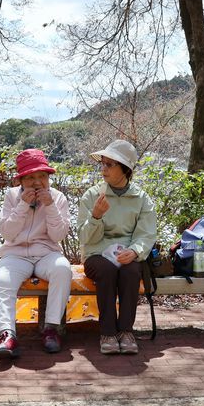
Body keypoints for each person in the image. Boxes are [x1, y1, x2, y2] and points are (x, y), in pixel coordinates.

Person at [77, 139, 156, 355]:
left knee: (131, 271)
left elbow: (147, 233)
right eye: (102, 163)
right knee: (107, 270)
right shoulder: (92, 195)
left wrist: (135, 251)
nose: (103, 169)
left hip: (128, 253)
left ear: (125, 169)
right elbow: (84, 237)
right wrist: (96, 216)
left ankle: (126, 331)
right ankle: (108, 332)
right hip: (96, 254)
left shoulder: (141, 198)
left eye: (109, 165)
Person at [0, 149, 72, 360]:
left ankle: (51, 329)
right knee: (3, 279)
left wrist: (50, 206)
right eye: (30, 177)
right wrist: (23, 205)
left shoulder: (58, 197)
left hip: (47, 253)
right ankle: (6, 335)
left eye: (42, 176)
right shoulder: (11, 196)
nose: (37, 182)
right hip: (15, 254)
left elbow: (58, 235)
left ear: (48, 177)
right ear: (20, 180)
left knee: (63, 269)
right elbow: (7, 233)